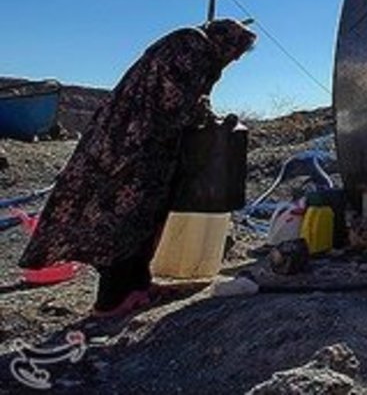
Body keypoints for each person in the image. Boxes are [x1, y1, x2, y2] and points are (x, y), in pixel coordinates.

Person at [19, 19, 257, 318]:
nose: (233, 59)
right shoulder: (190, 44)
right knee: (122, 217)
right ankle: (111, 301)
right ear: (225, 40)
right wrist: (205, 118)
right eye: (235, 52)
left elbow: (183, 97)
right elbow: (173, 99)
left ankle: (138, 287)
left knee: (145, 217)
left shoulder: (196, 49)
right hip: (129, 146)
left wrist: (203, 113)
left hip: (146, 143)